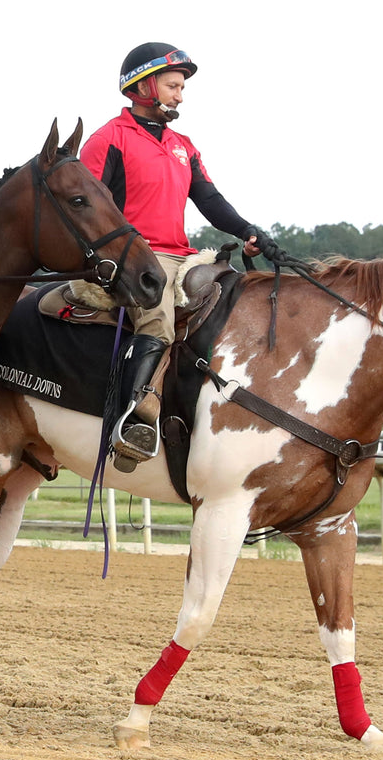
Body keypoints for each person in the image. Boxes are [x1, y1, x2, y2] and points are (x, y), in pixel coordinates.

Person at [81, 42, 285, 471]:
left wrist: (248, 231)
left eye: (181, 87)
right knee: (157, 319)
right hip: (134, 261)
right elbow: (85, 211)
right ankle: (134, 419)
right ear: (143, 85)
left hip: (183, 255)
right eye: (173, 86)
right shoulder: (107, 140)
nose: (179, 95)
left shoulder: (182, 145)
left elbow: (209, 198)